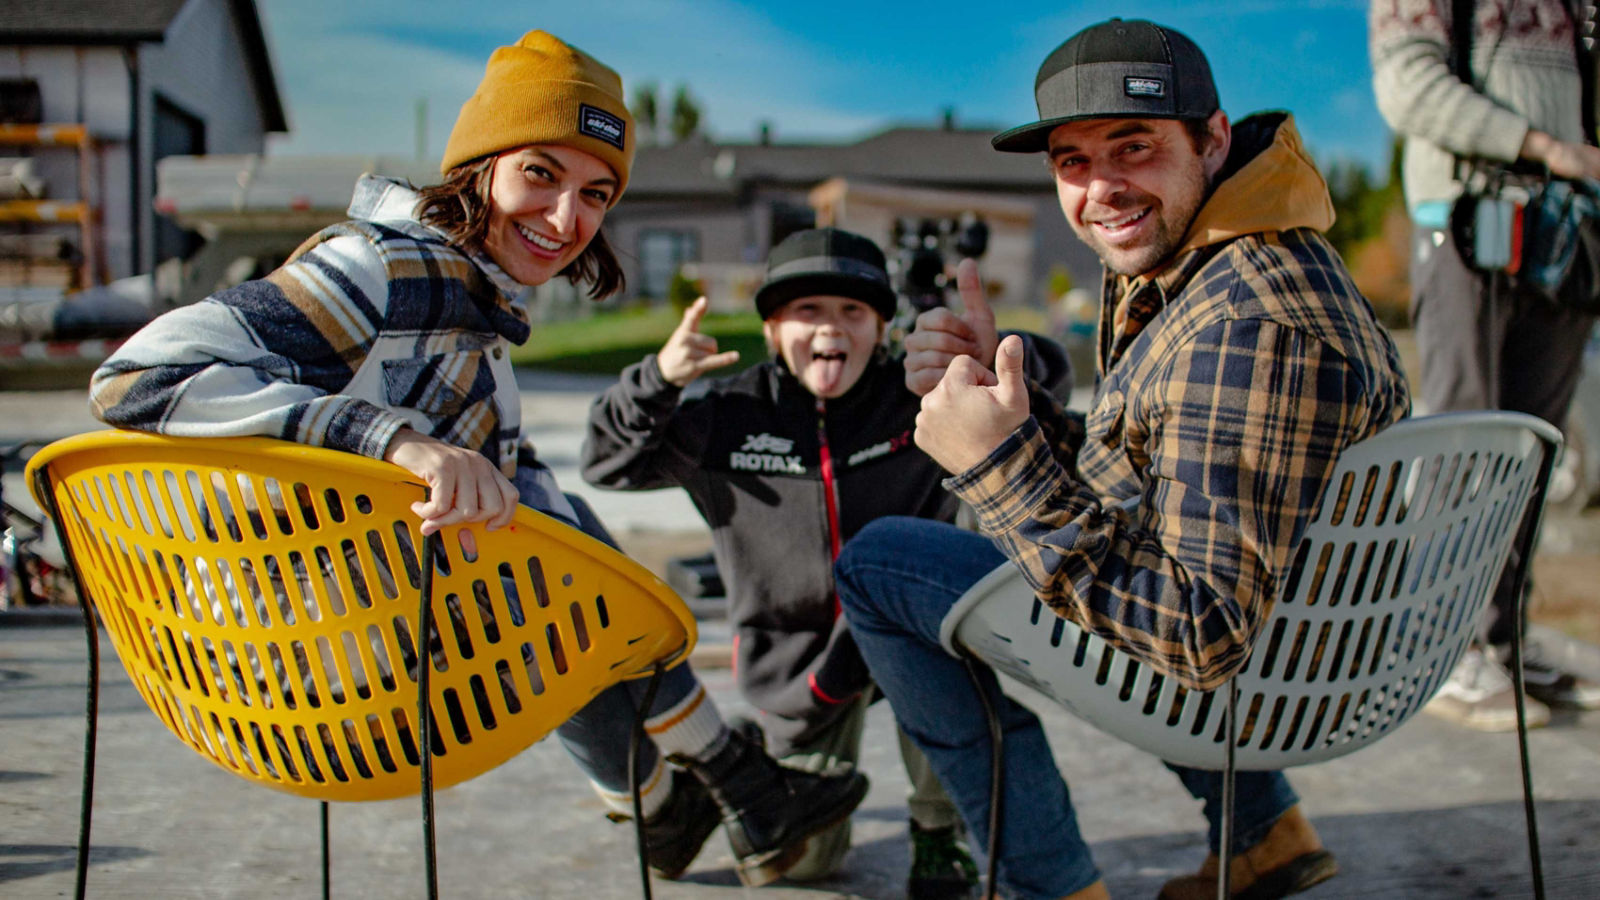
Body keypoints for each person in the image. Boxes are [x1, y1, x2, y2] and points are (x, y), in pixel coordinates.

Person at [84, 29, 866, 888]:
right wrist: (395, 443)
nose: (568, 219)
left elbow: (538, 514)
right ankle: (723, 787)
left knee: (553, 539)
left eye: (597, 193)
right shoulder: (384, 268)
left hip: (337, 654)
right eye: (541, 172)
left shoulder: (472, 309)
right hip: (299, 668)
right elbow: (136, 374)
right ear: (480, 164)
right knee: (555, 571)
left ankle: (679, 800)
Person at [834, 18, 1411, 900]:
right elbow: (1153, 467)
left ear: (1213, 139)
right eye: (1072, 160)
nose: (1101, 188)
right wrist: (1013, 414)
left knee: (878, 564)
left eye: (1133, 146)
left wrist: (995, 469)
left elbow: (1196, 632)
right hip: (1306, 644)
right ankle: (1263, 832)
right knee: (959, 545)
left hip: (1265, 685)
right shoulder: (1228, 256)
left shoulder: (1245, 325)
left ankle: (1054, 883)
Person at [583, 226, 1072, 897]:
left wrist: (990, 355)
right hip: (800, 662)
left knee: (950, 645)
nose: (829, 329)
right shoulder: (727, 418)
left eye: (853, 312)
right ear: (774, 324)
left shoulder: (918, 397)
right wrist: (657, 382)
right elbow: (607, 462)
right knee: (805, 863)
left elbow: (1049, 390)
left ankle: (938, 830)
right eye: (806, 310)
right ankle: (759, 769)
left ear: (880, 327)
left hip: (904, 631)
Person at [1370, 0, 1600, 731]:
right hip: (1471, 224)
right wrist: (1543, 146)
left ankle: (1501, 640)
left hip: (1571, 231)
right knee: (1463, 443)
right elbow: (1408, 86)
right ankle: (1440, 649)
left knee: (1536, 450)